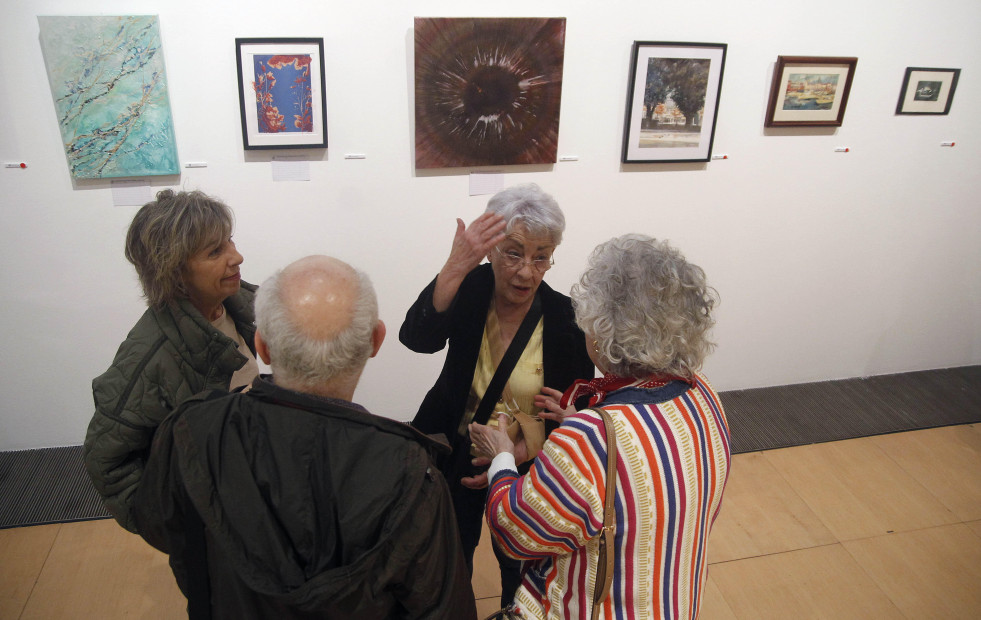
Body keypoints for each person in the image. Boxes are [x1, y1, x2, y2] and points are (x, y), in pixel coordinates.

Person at [135, 255, 477, 620]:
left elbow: (162, 526)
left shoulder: (195, 429)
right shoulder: (412, 474)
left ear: (261, 346)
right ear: (376, 341)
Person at [470, 234, 731, 619]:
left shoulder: (594, 438)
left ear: (604, 328)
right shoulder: (702, 392)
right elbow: (643, 470)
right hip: (673, 602)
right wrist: (581, 426)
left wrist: (502, 459)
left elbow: (516, 532)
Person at [399, 184, 595, 604]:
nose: (526, 271)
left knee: (522, 576)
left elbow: (577, 411)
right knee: (449, 568)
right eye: (513, 252)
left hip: (528, 468)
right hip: (454, 453)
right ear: (489, 250)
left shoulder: (565, 319)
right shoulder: (469, 288)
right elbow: (417, 338)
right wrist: (454, 266)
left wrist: (525, 448)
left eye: (541, 256)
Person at [85, 189, 259, 533]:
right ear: (174, 271)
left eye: (230, 241)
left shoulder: (241, 305)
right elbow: (107, 461)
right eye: (215, 251)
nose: (237, 256)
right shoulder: (149, 358)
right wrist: (176, 529)